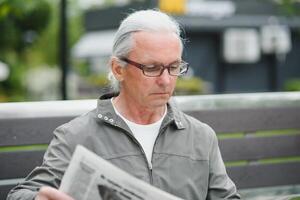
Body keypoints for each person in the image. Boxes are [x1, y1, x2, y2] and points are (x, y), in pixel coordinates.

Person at [7, 9, 240, 200]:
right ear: (118, 69)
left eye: (174, 67)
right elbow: (21, 195)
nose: (166, 80)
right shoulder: (76, 136)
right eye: (152, 68)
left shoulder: (201, 137)